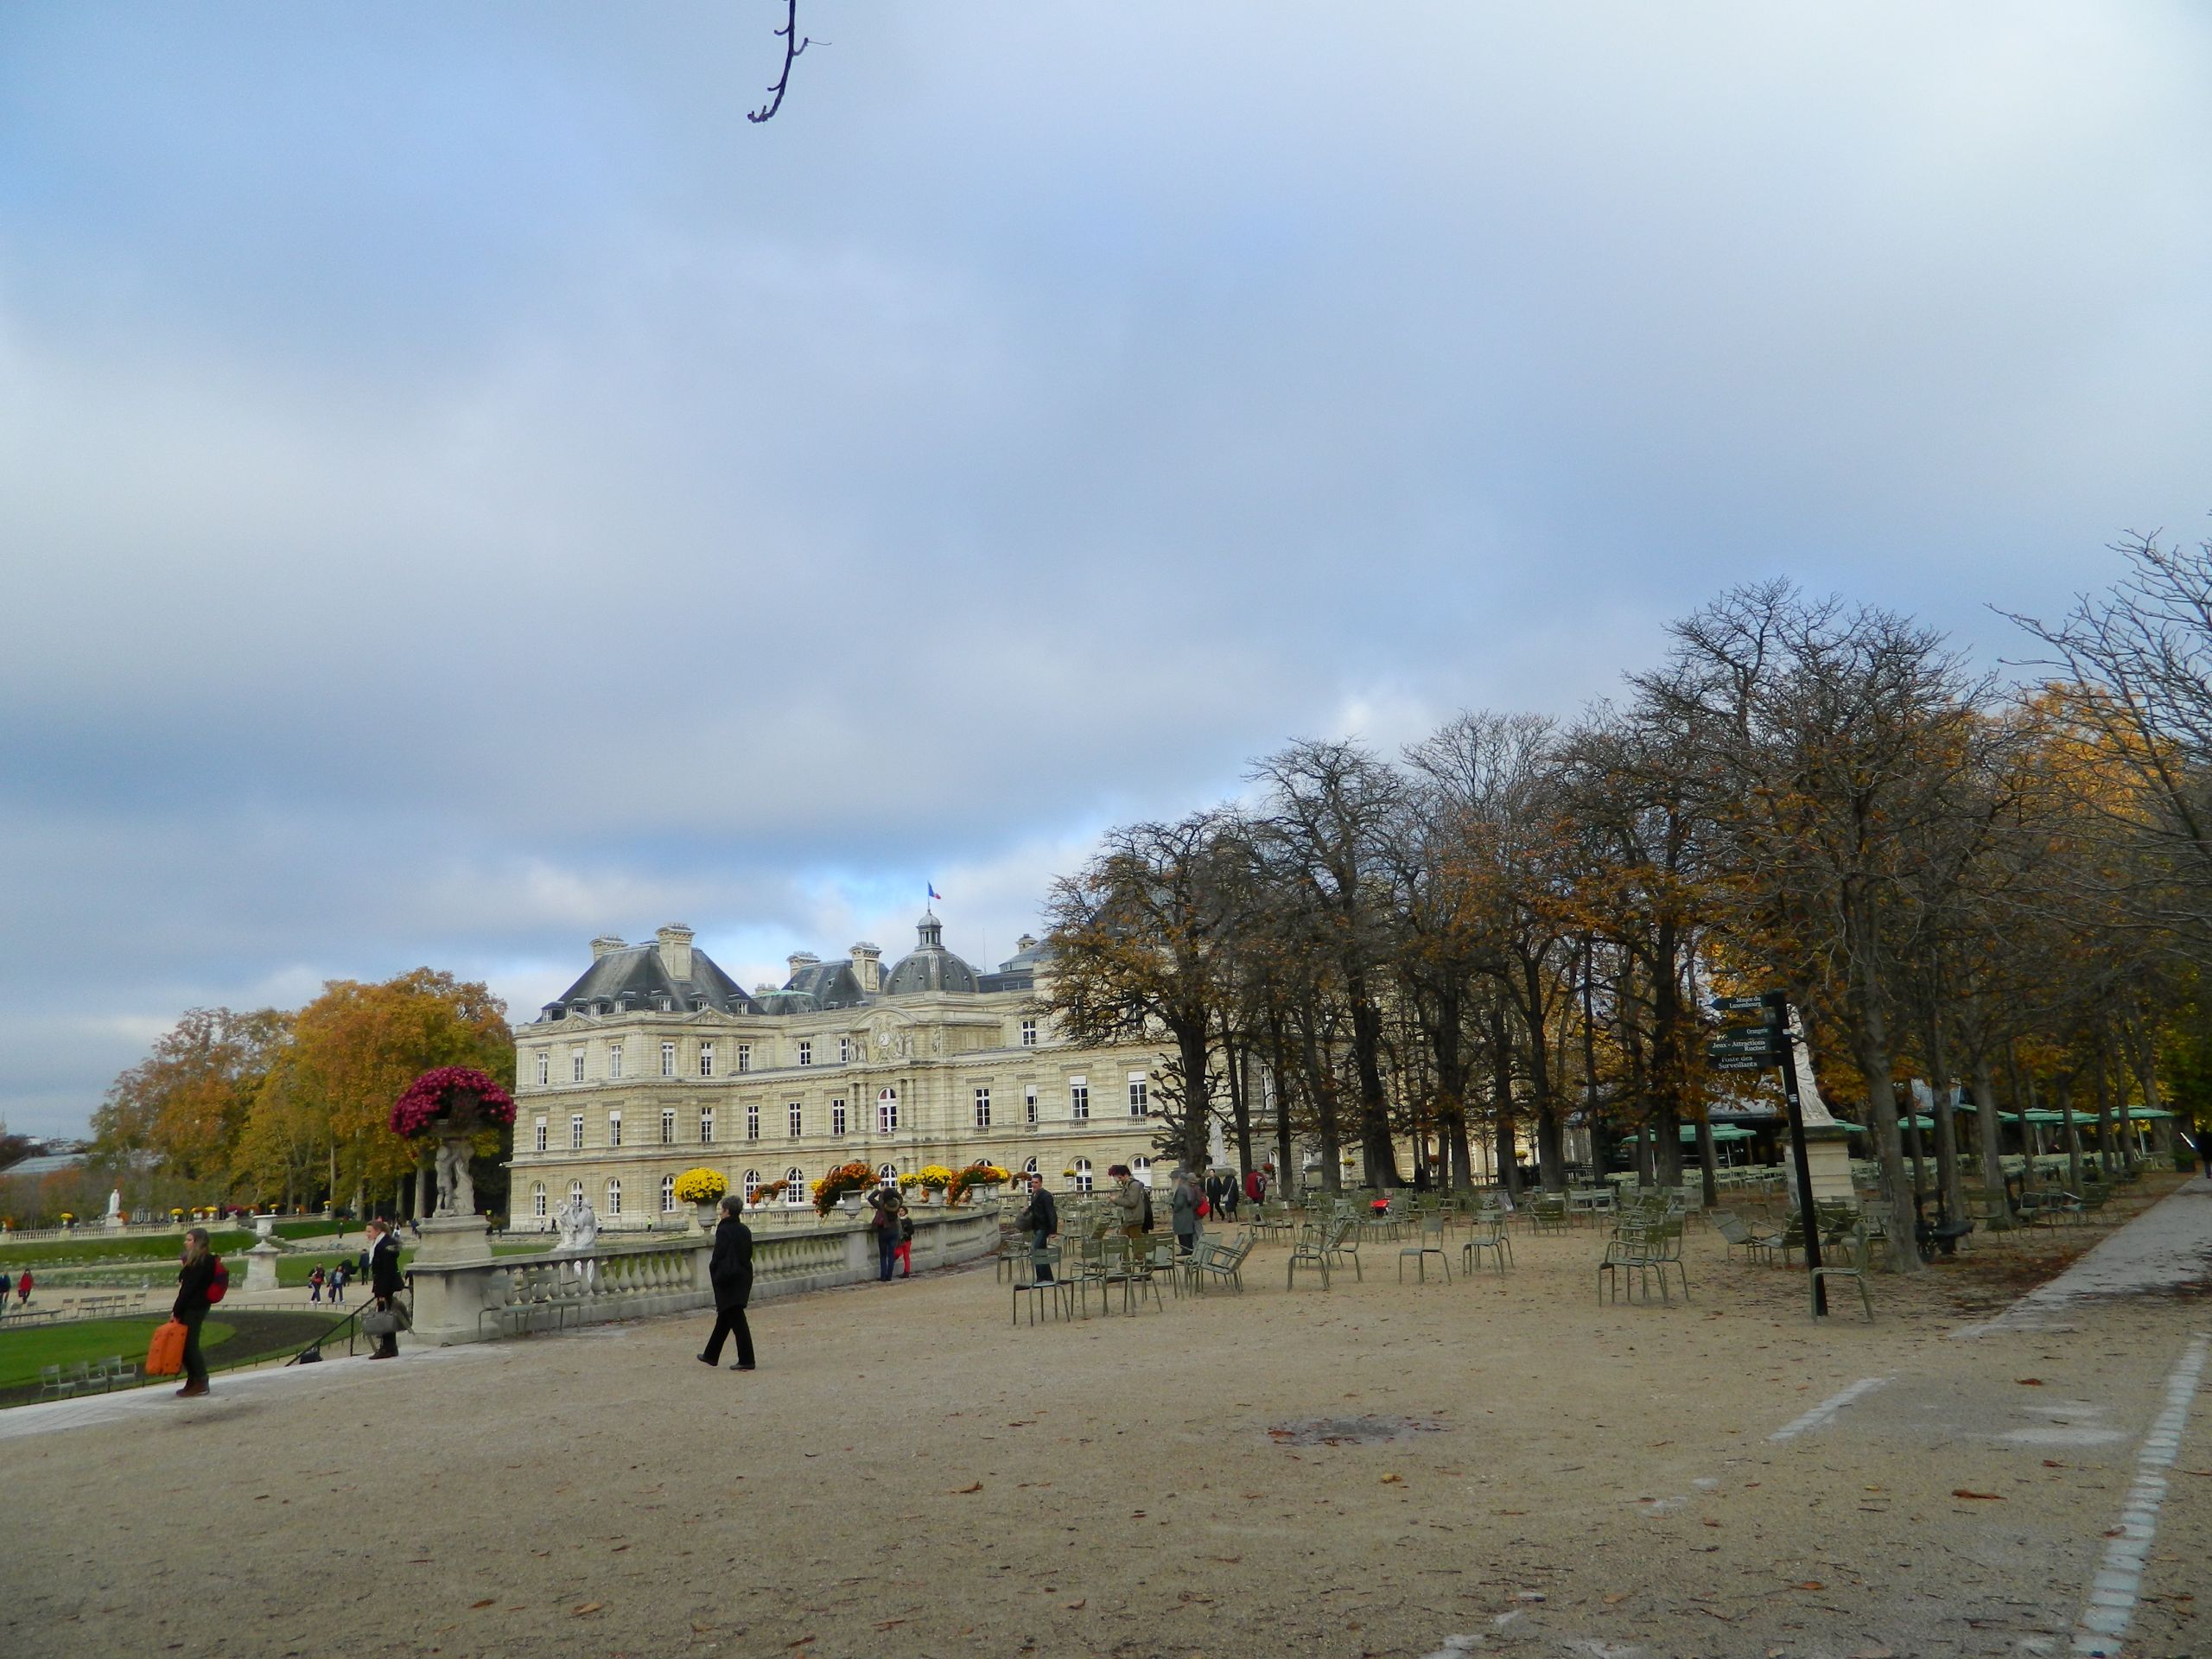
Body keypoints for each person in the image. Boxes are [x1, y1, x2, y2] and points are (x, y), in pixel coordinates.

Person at [696, 1193, 756, 1371]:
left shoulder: (724, 1230)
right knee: (725, 1317)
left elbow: (719, 1255)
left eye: (722, 1209)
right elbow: (748, 1254)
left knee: (737, 1320)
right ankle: (711, 1354)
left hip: (728, 1278)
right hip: (743, 1276)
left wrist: (714, 1271)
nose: (720, 1213)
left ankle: (747, 1359)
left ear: (728, 1211)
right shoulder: (744, 1230)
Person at [173, 1228, 217, 1399]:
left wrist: (176, 1311)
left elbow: (188, 1290)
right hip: (195, 1306)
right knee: (185, 1345)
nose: (186, 1242)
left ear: (198, 1242)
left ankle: (200, 1380)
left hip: (194, 1307)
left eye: (189, 1240)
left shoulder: (201, 1262)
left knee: (190, 1345)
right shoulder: (199, 1261)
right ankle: (193, 1379)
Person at [366, 1217, 404, 1359]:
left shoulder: (384, 1245)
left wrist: (381, 1292)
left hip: (385, 1285)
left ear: (378, 1231)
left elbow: (387, 1270)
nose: (367, 1234)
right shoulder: (382, 1243)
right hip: (383, 1284)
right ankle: (389, 1346)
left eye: (369, 1231)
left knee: (385, 1316)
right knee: (386, 1316)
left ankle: (387, 1347)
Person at [1018, 1173, 1058, 1282]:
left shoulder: (1046, 1195)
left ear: (1040, 1183)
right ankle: (1048, 1277)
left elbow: (1052, 1213)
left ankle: (1041, 1277)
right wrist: (1028, 1209)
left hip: (1043, 1228)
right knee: (1041, 1252)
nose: (1034, 1185)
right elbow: (1035, 1207)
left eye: (1036, 1183)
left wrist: (1053, 1231)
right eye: (1032, 1183)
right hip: (1037, 1227)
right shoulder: (1034, 1194)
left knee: (1035, 1250)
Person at [868, 1188, 901, 1281]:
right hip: (894, 1231)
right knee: (891, 1255)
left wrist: (879, 1190)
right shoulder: (897, 1204)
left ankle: (883, 1276)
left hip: (883, 1232)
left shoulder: (881, 1206)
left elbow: (870, 1198)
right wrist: (892, 1190)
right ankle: (889, 1276)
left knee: (883, 1255)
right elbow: (900, 1197)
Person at [1170, 1167, 1203, 1256]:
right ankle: (1189, 1248)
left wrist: (1175, 1208)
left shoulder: (1181, 1189)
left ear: (1181, 1179)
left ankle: (1185, 1250)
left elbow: (1179, 1203)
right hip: (1189, 1214)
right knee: (1188, 1233)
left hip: (1181, 1215)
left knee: (1182, 1234)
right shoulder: (1189, 1188)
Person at [1111, 1165, 1146, 1239]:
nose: (1118, 1180)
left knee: (1138, 1246)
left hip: (1134, 1219)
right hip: (1128, 1219)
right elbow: (1125, 1199)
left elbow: (1132, 1202)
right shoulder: (1127, 1184)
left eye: (1119, 1177)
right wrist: (1116, 1199)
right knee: (1122, 1242)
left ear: (1126, 1175)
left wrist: (1115, 1199)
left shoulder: (1133, 1185)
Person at [894, 1208, 915, 1278]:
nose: (900, 1212)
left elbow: (912, 1230)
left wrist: (906, 1234)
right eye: (899, 1211)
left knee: (906, 1256)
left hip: (906, 1240)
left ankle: (906, 1272)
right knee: (897, 1253)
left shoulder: (908, 1220)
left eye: (902, 1211)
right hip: (899, 1241)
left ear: (905, 1212)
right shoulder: (896, 1220)